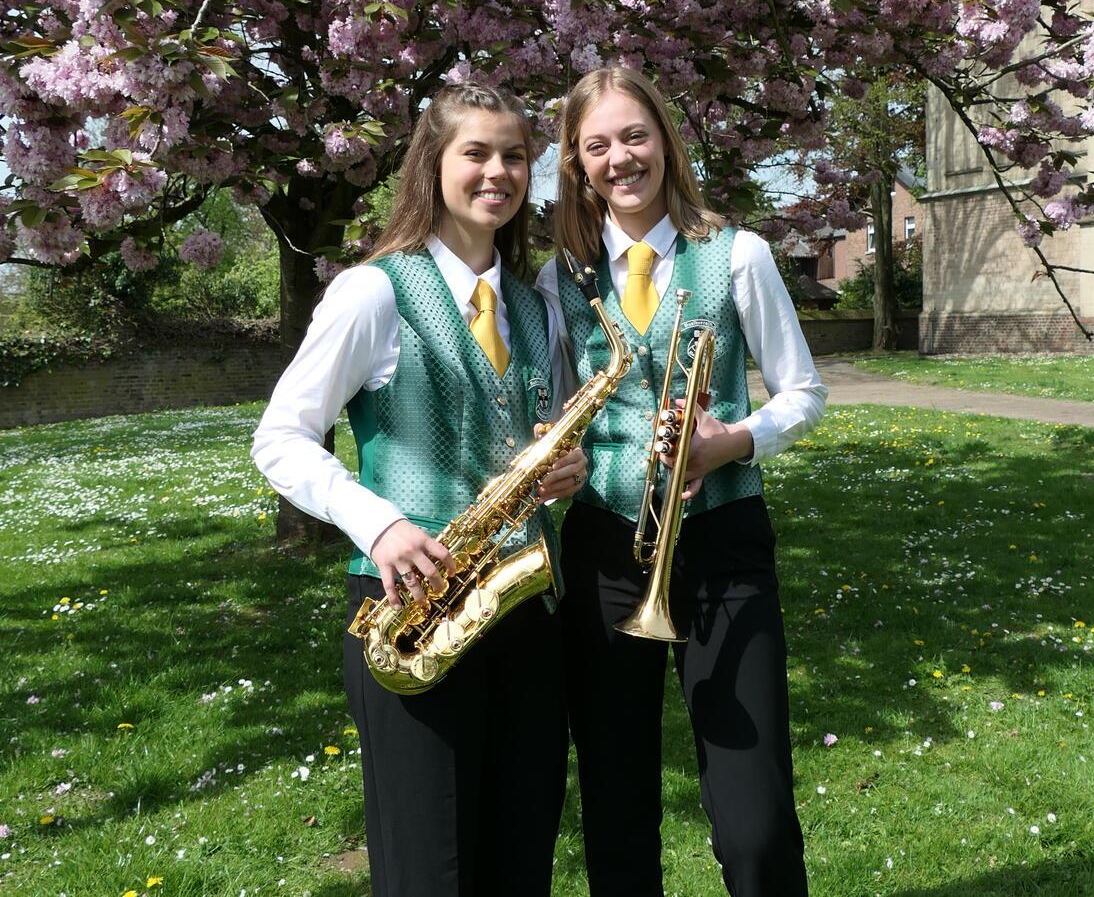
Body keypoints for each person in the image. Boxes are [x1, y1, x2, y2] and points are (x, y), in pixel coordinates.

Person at [252, 81, 587, 897]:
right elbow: (280, 436)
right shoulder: (373, 291)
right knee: (428, 871)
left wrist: (561, 477)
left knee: (520, 864)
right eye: (476, 152)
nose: (498, 172)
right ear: (432, 164)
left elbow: (533, 444)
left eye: (515, 155)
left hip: (524, 617)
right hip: (412, 615)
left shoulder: (534, 306)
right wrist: (379, 525)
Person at [536, 66, 827, 897]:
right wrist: (562, 461)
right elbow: (563, 407)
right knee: (616, 804)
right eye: (598, 144)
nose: (620, 157)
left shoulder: (739, 255)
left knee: (755, 817)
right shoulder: (565, 278)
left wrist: (733, 440)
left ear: (664, 139)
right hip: (603, 549)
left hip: (722, 545)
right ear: (577, 163)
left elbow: (803, 392)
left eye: (635, 135)